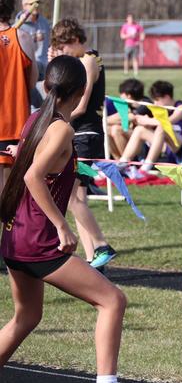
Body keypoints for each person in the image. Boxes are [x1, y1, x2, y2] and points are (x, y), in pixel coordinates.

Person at [0, 55, 155, 383]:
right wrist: (61, 225)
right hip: (38, 240)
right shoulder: (62, 130)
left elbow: (28, 164)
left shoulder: (36, 120)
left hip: (14, 236)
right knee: (112, 300)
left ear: (46, 86)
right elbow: (33, 176)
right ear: (81, 92)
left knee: (26, 316)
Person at [48, 18, 117, 269]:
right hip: (78, 133)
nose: (63, 52)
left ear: (75, 40)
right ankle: (93, 259)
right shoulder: (79, 61)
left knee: (70, 198)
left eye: (64, 47)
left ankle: (101, 245)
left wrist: (54, 117)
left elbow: (82, 104)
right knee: (78, 198)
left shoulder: (89, 60)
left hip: (86, 134)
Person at [0, 0, 38, 195]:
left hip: (8, 126)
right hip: (17, 123)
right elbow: (32, 82)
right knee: (12, 193)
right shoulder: (23, 37)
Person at [118, 80, 182, 178]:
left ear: (166, 97)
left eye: (157, 100)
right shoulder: (161, 109)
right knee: (140, 130)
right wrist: (146, 123)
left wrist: (148, 121)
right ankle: (122, 164)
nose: (155, 103)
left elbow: (168, 122)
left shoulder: (181, 107)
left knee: (162, 127)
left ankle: (144, 169)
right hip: (167, 146)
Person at [13, 0, 49, 105]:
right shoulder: (18, 25)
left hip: (44, 66)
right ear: (24, 6)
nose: (36, 6)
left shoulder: (43, 22)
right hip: (30, 66)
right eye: (32, 3)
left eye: (38, 2)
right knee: (32, 101)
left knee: (45, 101)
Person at [103, 78, 152, 159]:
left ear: (128, 95)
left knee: (116, 129)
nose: (120, 97)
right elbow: (120, 117)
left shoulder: (145, 104)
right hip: (133, 138)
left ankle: (127, 163)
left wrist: (105, 120)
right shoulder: (129, 104)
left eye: (121, 94)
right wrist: (105, 121)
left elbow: (129, 117)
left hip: (145, 144)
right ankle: (119, 162)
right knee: (107, 129)